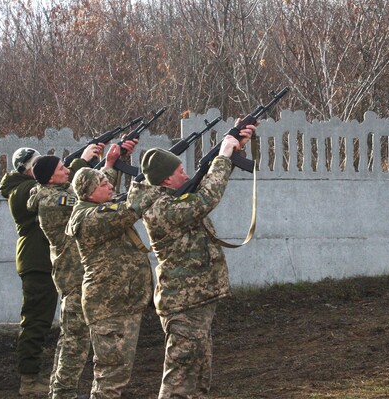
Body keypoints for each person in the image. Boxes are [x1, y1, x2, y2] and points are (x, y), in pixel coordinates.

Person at [132, 123, 255, 399]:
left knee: (199, 379)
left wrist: (235, 146)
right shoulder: (162, 209)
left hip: (196, 301)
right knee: (179, 382)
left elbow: (204, 186)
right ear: (166, 181)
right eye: (180, 172)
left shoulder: (171, 200)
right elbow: (207, 197)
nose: (186, 175)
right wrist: (223, 155)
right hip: (183, 305)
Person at [65, 140, 160, 399]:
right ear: (88, 194)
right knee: (111, 375)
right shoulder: (91, 218)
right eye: (103, 185)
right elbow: (131, 209)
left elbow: (99, 185)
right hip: (110, 307)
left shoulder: (91, 206)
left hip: (120, 302)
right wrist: (156, 175)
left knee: (117, 372)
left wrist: (109, 164)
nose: (110, 185)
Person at [27, 142, 108, 399]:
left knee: (72, 339)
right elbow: (89, 197)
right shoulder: (54, 200)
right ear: (51, 177)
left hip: (74, 274)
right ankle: (63, 394)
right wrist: (105, 168)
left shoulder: (52, 193)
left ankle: (60, 392)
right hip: (73, 277)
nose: (68, 170)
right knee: (75, 341)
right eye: (63, 168)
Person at [0, 147, 59, 396]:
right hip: (37, 263)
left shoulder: (28, 186)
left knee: (43, 322)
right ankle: (29, 381)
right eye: (36, 164)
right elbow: (48, 190)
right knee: (35, 322)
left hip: (44, 262)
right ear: (25, 169)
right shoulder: (20, 190)